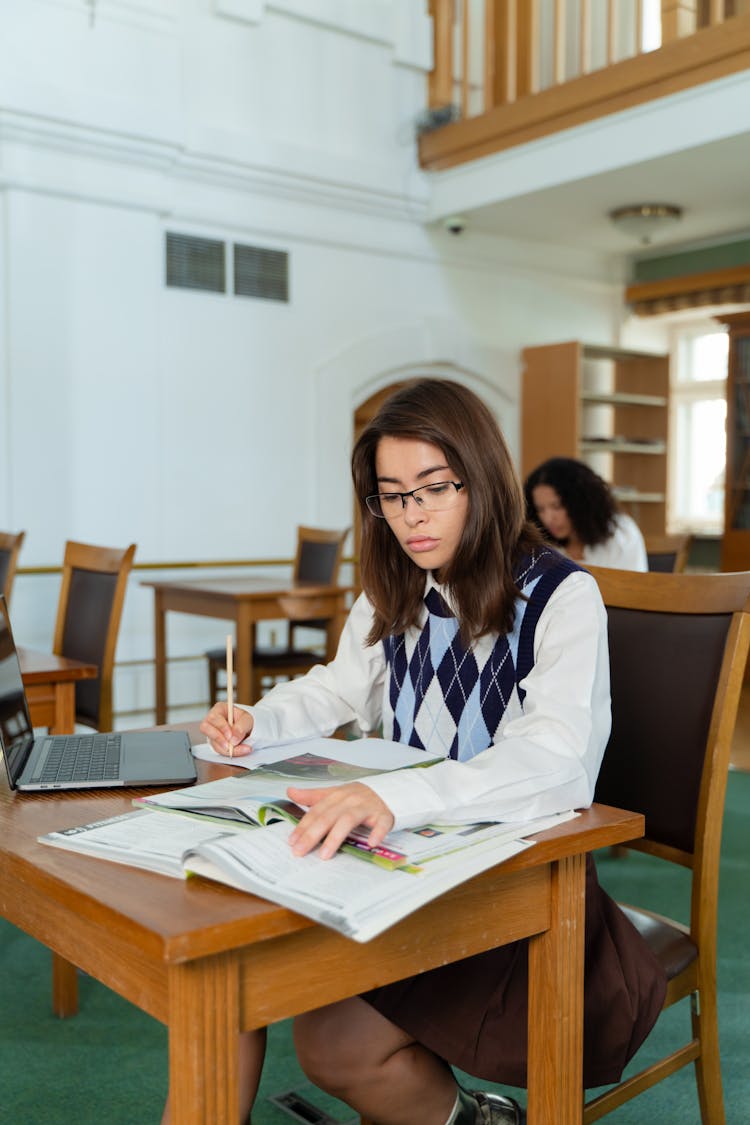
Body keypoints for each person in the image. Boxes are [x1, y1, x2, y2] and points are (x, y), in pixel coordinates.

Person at [196, 379, 666, 1125]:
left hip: (522, 884)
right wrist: (259, 718)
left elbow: (555, 760)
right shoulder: (396, 586)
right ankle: (469, 1114)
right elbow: (335, 688)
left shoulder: (560, 595)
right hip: (414, 865)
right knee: (266, 979)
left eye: (433, 489)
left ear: (480, 478)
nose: (411, 516)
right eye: (391, 495)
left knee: (330, 1039)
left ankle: (466, 1113)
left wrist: (396, 797)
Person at [524, 456, 648, 571]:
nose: (548, 518)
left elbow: (634, 588)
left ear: (580, 502)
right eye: (540, 509)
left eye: (557, 507)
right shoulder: (541, 546)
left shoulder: (622, 533)